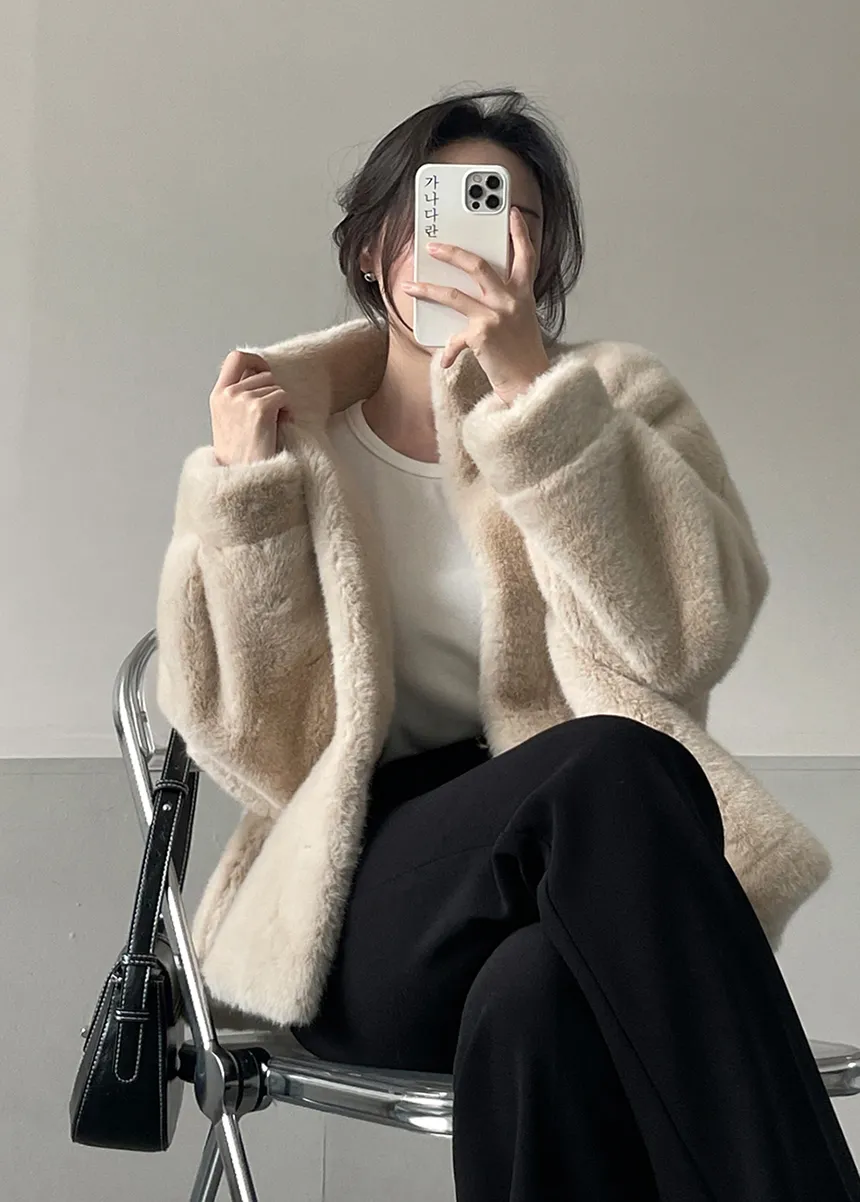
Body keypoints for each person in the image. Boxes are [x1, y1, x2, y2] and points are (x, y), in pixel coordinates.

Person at [155, 88, 860, 1200]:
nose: (469, 245)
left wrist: (537, 402)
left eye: (507, 216)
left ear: (543, 253)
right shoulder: (286, 437)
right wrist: (249, 499)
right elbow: (260, 748)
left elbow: (684, 641)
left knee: (540, 997)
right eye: (434, 214)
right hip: (364, 903)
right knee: (609, 765)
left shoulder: (612, 400)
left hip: (587, 881)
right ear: (371, 244)